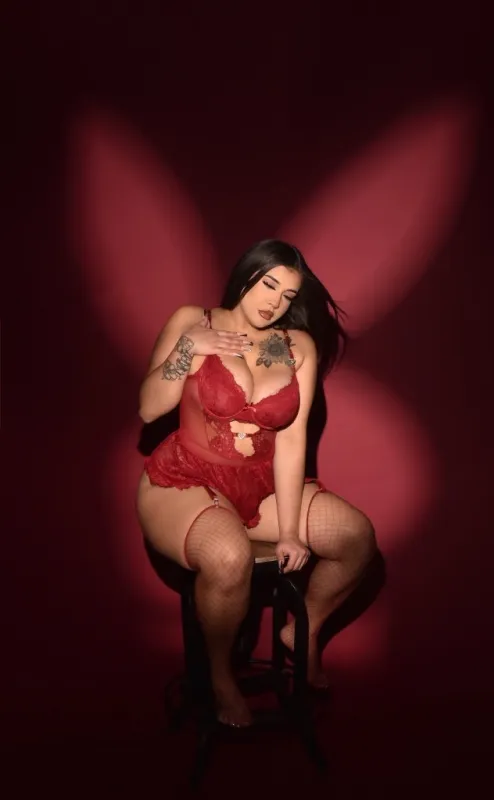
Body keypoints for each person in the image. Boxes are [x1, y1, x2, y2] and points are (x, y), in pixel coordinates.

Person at [136, 239, 376, 727]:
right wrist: (188, 348)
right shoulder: (195, 321)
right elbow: (148, 409)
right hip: (186, 479)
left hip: (258, 487)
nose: (275, 302)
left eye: (288, 295)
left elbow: (291, 442)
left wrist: (288, 531)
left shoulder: (295, 347)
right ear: (247, 274)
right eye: (268, 285)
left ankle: (303, 634)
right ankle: (220, 675)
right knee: (228, 557)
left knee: (356, 537)